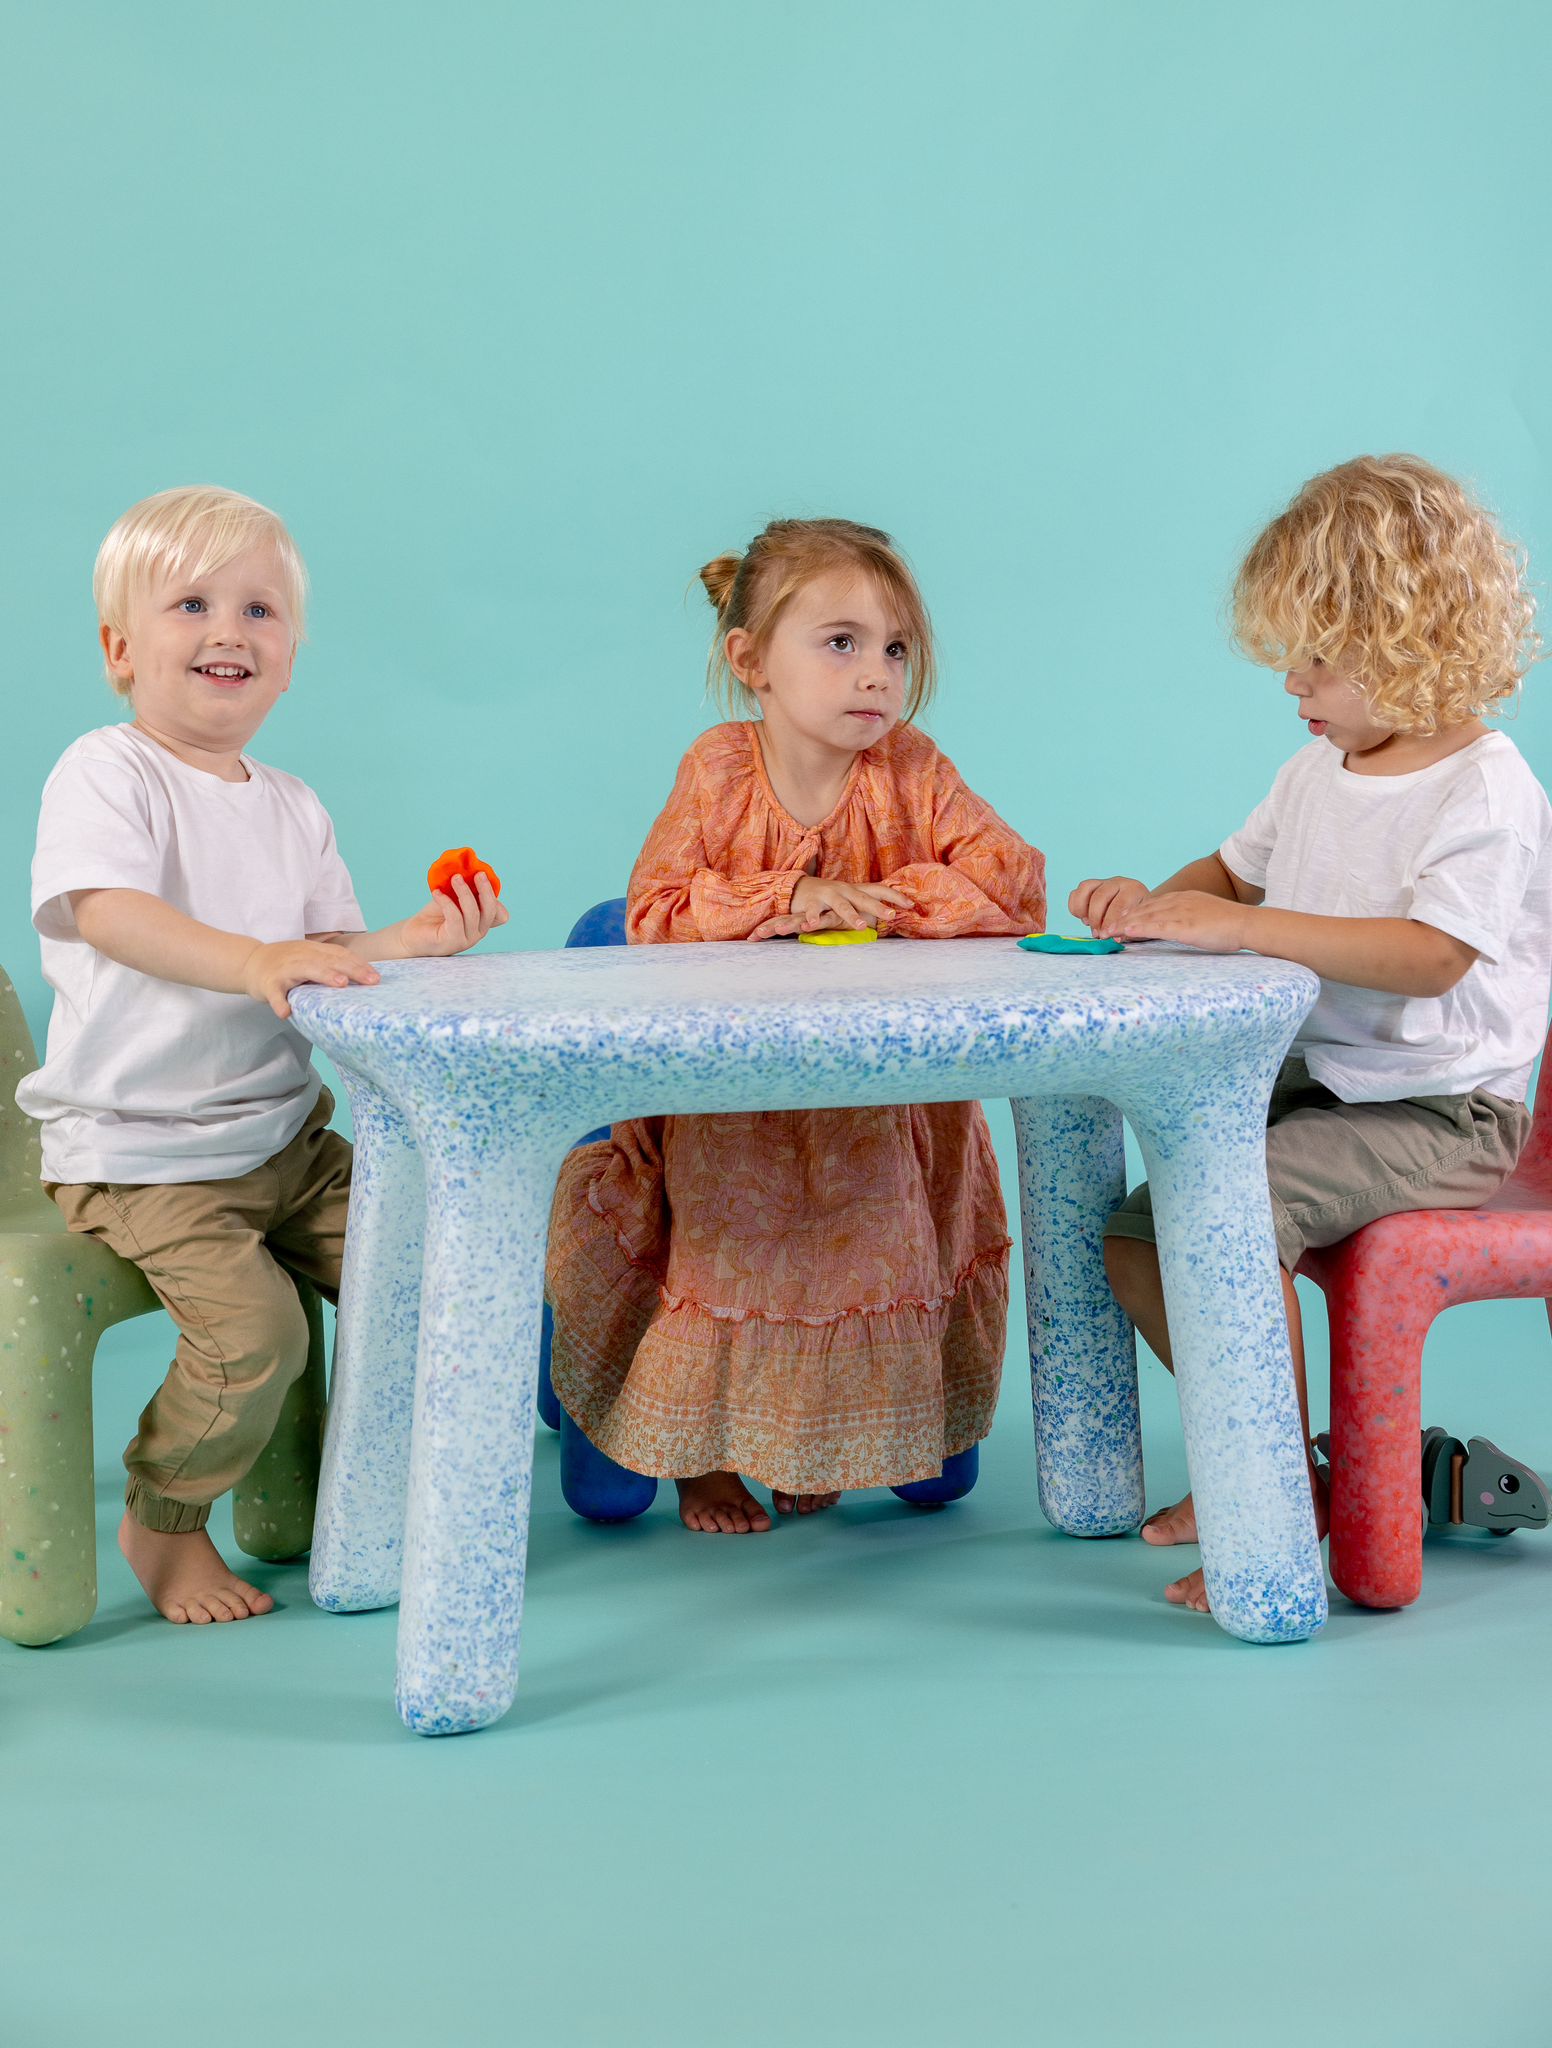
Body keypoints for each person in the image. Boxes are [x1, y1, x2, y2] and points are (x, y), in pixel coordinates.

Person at [1070, 454, 1552, 1612]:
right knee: (1139, 1234)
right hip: (1328, 1082)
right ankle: (1271, 1459)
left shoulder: (1484, 789)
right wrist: (1150, 906)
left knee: (1231, 1214)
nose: (1294, 680)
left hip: (1441, 1108)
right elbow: (1228, 873)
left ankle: (1270, 1510)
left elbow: (1429, 954)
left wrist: (1243, 930)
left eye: (1320, 658)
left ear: (1407, 639)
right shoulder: (1314, 768)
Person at [18, 485, 506, 1624]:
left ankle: (382, 1483)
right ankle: (164, 1520)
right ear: (120, 648)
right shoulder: (109, 770)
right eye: (192, 603)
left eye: (260, 609)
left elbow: (316, 952)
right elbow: (105, 911)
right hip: (144, 1151)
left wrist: (405, 941)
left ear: (289, 659)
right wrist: (248, 961)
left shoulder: (292, 804)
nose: (229, 629)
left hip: (282, 1138)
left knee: (427, 1257)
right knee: (256, 1335)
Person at [545, 517, 1047, 1532]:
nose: (876, 674)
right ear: (750, 662)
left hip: (878, 1118)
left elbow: (1014, 880)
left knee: (869, 1245)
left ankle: (819, 1438)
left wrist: (885, 899)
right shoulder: (719, 770)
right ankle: (708, 1458)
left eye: (895, 647)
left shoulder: (912, 770)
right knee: (741, 1246)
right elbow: (653, 909)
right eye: (841, 641)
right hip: (742, 1118)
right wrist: (790, 895)